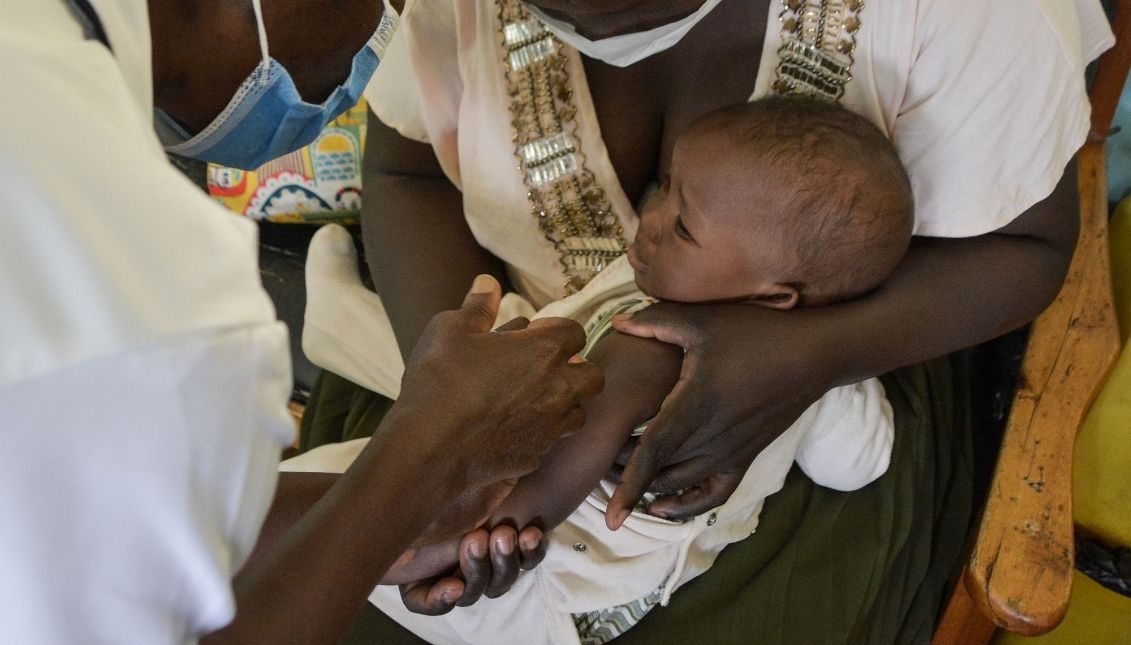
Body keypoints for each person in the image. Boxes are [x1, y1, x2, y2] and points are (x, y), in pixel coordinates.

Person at [296, 0, 1115, 641]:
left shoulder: (976, 16)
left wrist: (805, 356)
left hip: (858, 348)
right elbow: (406, 172)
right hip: (453, 332)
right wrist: (455, 408)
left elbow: (1027, 248)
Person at [0, 1, 603, 643]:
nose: (386, 28)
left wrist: (393, 515)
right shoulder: (165, 297)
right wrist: (429, 458)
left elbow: (95, 511)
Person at [294, 95, 910, 644]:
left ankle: (341, 331)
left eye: (685, 227)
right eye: (666, 187)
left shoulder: (675, 354)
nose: (652, 219)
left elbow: (553, 481)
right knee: (493, 344)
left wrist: (450, 537)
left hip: (543, 590)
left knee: (310, 510)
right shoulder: (704, 302)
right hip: (556, 525)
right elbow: (857, 464)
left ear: (775, 297)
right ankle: (341, 327)